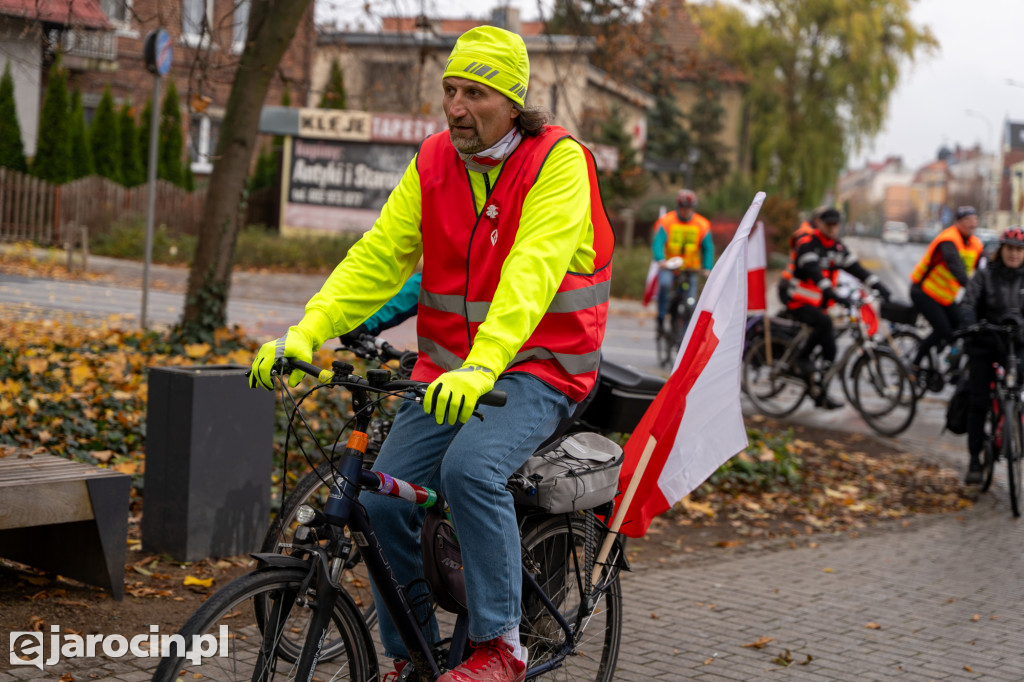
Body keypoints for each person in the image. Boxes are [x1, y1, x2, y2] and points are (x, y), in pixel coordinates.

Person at [249, 25, 614, 682]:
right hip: (448, 372)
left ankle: (501, 647)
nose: (455, 107)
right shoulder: (434, 160)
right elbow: (380, 255)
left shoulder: (559, 163)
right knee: (381, 501)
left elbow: (532, 270)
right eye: (450, 90)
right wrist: (309, 328)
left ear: (512, 102)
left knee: (470, 470)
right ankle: (413, 655)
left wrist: (484, 363)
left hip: (542, 366)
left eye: (474, 93)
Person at [777, 207, 891, 409]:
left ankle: (820, 393)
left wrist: (878, 285)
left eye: (835, 224)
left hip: (818, 302)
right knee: (824, 323)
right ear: (819, 223)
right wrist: (834, 295)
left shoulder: (837, 247)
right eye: (828, 224)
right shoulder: (808, 244)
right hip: (795, 298)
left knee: (831, 347)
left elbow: (856, 269)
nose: (832, 228)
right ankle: (801, 359)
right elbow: (814, 273)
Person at [959, 227, 1024, 484]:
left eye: (1019, 250)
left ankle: (1013, 420)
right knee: (978, 401)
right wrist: (970, 324)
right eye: (1010, 249)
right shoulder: (985, 275)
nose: (1014, 254)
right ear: (1001, 250)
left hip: (1017, 344)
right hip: (985, 342)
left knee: (1019, 385)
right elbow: (968, 302)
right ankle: (975, 459)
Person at [908, 206, 983, 375]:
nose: (972, 224)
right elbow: (956, 267)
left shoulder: (976, 244)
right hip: (923, 291)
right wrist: (973, 289)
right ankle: (915, 364)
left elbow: (985, 267)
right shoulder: (949, 239)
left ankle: (950, 366)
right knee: (942, 329)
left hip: (945, 296)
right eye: (968, 220)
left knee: (962, 328)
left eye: (974, 219)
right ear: (958, 222)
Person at [650, 188, 713, 333]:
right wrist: (660, 259)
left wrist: (707, 268)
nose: (686, 211)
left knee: (691, 302)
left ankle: (685, 334)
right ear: (678, 207)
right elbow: (658, 243)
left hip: (691, 269)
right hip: (670, 267)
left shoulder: (702, 224)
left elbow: (708, 248)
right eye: (683, 207)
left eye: (689, 207)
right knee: (665, 285)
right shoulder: (666, 221)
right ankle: (661, 317)